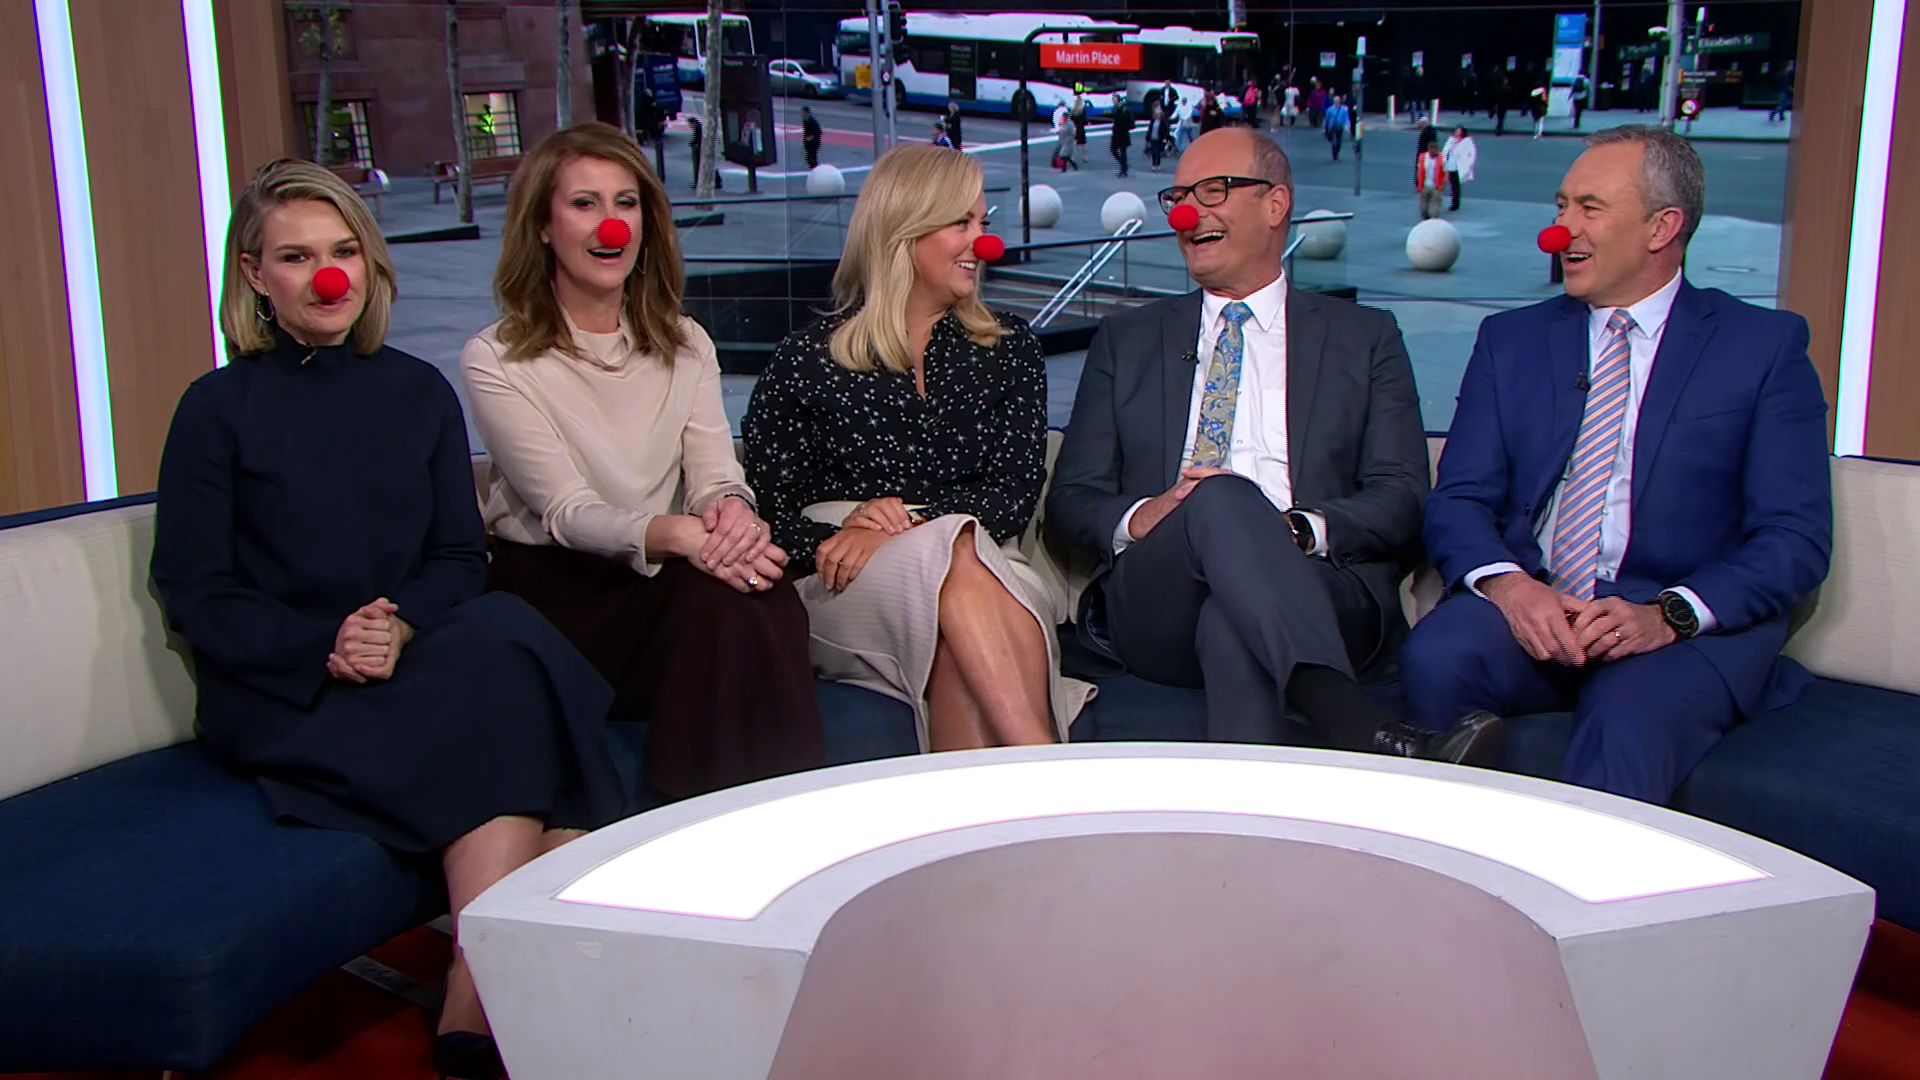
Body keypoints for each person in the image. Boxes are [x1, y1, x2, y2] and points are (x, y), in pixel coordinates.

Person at [151, 160, 629, 1080]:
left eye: (343, 252)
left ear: (369, 265)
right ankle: (505, 970)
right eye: (297, 257)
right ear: (255, 275)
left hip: (408, 657)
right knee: (508, 690)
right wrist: (325, 645)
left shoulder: (416, 392)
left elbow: (457, 557)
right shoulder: (214, 411)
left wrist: (399, 624)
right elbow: (195, 589)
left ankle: (475, 975)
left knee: (504, 630)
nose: (328, 277)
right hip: (283, 689)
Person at [1401, 126, 1832, 804]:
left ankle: (1581, 876)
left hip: (1673, 624)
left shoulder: (1763, 348)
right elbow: (1459, 498)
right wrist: (1511, 588)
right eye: (1561, 205)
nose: (1560, 231)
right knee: (1437, 657)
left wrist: (1670, 614)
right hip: (1539, 603)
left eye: (1590, 208)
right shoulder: (1510, 341)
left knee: (1628, 722)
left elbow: (1795, 538)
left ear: (1663, 227)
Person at [1047, 129, 1499, 763]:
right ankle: (1357, 725)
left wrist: (1294, 531)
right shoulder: (1128, 340)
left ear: (1276, 204)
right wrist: (1142, 517)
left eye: (1212, 191)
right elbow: (1071, 501)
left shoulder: (1364, 338)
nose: (1186, 214)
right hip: (1157, 597)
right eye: (1179, 196)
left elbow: (1401, 495)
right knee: (1219, 496)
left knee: (1232, 620)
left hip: (1320, 589)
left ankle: (1256, 811)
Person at [460, 122, 825, 803]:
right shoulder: (496, 358)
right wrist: (680, 535)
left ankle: (777, 815)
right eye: (585, 204)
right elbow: (566, 511)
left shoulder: (686, 343)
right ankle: (689, 818)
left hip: (662, 585)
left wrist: (732, 516)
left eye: (625, 203)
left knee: (757, 590)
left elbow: (716, 474)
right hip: (556, 595)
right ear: (543, 227)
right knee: (728, 596)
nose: (612, 226)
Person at [744, 146, 1093, 752]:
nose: (983, 243)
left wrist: (904, 526)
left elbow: (1013, 497)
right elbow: (770, 513)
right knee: (951, 573)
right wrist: (845, 530)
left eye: (984, 222)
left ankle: (1027, 784)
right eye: (961, 222)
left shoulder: (1010, 348)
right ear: (904, 231)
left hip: (992, 561)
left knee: (956, 590)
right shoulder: (806, 359)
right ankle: (1047, 770)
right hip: (845, 576)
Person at [1443, 125, 1478, 211]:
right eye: (1456, 131)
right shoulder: (1451, 140)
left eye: (1459, 131)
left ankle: (1455, 204)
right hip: (1451, 165)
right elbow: (1445, 151)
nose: (1457, 132)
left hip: (1461, 166)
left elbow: (1473, 153)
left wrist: (1469, 164)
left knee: (1456, 185)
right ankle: (1455, 202)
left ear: (1462, 132)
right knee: (1453, 185)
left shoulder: (1467, 141)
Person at [1415, 138, 1447, 220]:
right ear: (1429, 150)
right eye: (1431, 151)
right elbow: (1419, 171)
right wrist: (1419, 185)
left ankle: (1433, 220)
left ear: (1437, 150)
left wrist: (1443, 186)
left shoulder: (1442, 158)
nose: (1433, 153)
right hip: (1425, 186)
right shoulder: (1422, 157)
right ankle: (1426, 219)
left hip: (1437, 187)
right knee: (1424, 210)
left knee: (1434, 211)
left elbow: (1446, 173)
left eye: (1434, 151)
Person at [1053, 99, 1080, 171]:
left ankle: (1063, 166)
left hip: (1067, 139)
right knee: (1062, 152)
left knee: (1064, 153)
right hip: (1064, 137)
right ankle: (1059, 164)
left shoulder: (1068, 122)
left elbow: (1072, 132)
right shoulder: (1060, 116)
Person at [1110, 98, 1133, 177]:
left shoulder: (1125, 110)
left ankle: (1123, 169)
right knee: (1114, 150)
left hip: (1123, 134)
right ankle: (1124, 166)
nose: (1113, 101)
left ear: (1118, 100)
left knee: (1122, 152)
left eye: (1114, 99)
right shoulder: (1116, 109)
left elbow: (1131, 123)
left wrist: (1124, 127)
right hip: (1116, 134)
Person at [1324, 94, 1351, 161]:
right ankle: (1334, 155)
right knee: (1333, 141)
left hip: (1339, 127)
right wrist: (1326, 127)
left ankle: (1337, 152)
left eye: (1337, 100)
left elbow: (1346, 118)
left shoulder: (1343, 109)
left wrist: (1347, 125)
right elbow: (1327, 119)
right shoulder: (1330, 109)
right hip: (1332, 127)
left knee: (1338, 142)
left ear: (1339, 101)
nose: (1336, 102)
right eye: (1335, 100)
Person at [1145, 100, 1169, 172]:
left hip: (1159, 138)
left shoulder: (1163, 120)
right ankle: (1153, 165)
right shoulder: (1153, 120)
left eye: (1159, 109)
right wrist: (1147, 138)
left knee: (1158, 152)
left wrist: (1166, 138)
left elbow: (1165, 130)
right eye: (1156, 110)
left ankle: (1157, 164)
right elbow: (1150, 129)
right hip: (1153, 138)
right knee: (1153, 152)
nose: (1158, 111)